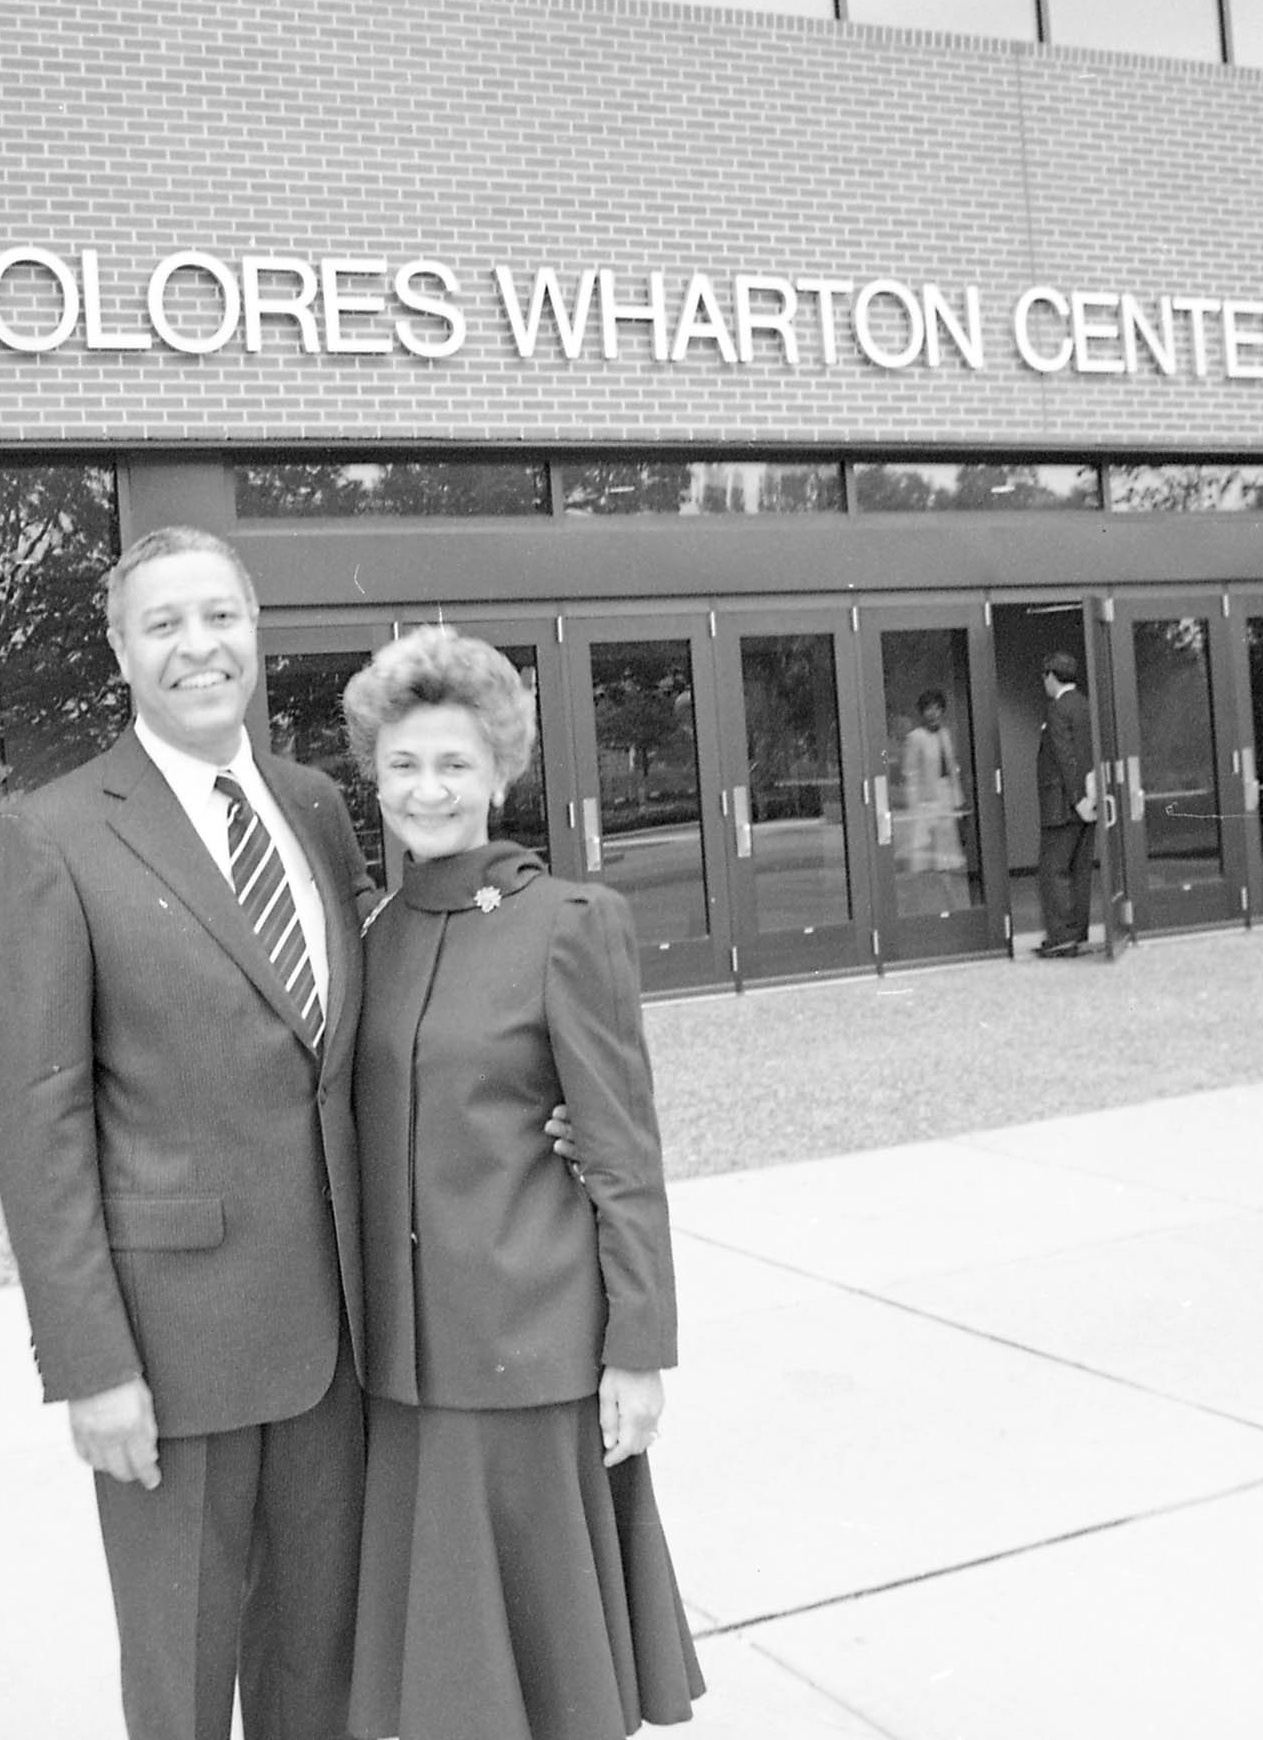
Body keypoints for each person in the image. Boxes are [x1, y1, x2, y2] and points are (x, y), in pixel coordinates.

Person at [0, 525, 373, 1740]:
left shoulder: (314, 806)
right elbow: (36, 1123)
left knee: (322, 1671)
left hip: (342, 1341)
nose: (198, 647)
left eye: (220, 617)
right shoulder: (52, 834)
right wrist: (91, 1366)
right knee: (183, 1680)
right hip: (174, 1352)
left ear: (256, 631)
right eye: (163, 625)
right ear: (120, 650)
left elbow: (376, 1035)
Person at [341, 626, 703, 1740]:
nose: (428, 789)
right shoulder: (371, 932)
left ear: (501, 770)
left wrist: (639, 1350)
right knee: (447, 1690)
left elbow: (622, 1154)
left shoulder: (569, 924)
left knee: (548, 1695)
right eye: (403, 765)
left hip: (530, 1361)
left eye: (455, 763)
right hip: (406, 1373)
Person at [1035, 650, 1101, 958]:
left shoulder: (1058, 710)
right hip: (1089, 800)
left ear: (1051, 676)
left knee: (1054, 870)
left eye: (1044, 676)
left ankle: (1061, 937)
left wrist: (1078, 800)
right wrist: (1089, 799)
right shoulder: (1086, 705)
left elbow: (1065, 758)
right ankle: (1078, 933)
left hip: (1064, 804)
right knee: (1080, 871)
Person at [895, 687, 971, 914]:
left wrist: (959, 801)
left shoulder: (945, 734)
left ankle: (954, 905)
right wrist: (915, 806)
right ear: (922, 712)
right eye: (929, 709)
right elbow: (910, 775)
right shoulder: (915, 738)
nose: (933, 713)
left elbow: (952, 770)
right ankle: (924, 907)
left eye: (937, 708)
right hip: (926, 802)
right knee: (926, 856)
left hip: (947, 797)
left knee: (948, 856)